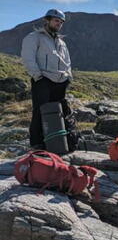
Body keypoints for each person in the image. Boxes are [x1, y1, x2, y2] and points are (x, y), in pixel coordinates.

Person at [20, 9, 73, 150]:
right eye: (56, 21)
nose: (59, 24)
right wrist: (38, 76)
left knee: (58, 113)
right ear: (47, 20)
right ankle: (37, 144)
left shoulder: (61, 42)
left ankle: (56, 143)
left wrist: (68, 77)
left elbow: (67, 61)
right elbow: (28, 58)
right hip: (43, 80)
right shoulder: (34, 37)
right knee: (40, 111)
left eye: (61, 22)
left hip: (60, 82)